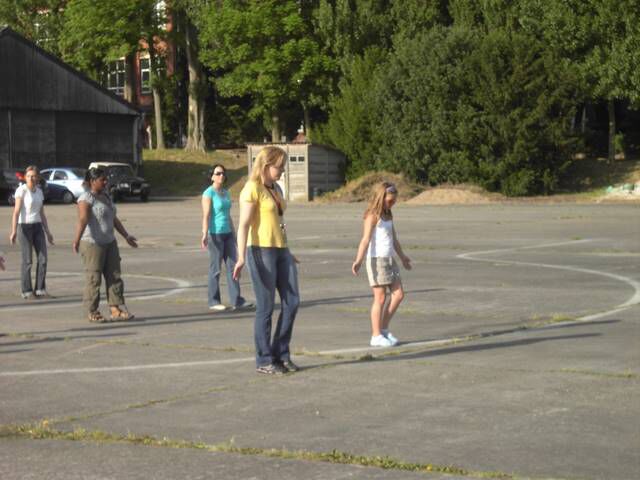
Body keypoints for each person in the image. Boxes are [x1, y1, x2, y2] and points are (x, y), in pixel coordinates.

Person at [233, 146, 300, 375]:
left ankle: (281, 353)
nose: (282, 171)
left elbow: (278, 222)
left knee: (292, 302)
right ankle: (264, 359)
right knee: (266, 306)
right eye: (279, 166)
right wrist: (241, 257)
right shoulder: (252, 188)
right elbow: (243, 226)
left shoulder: (276, 188)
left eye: (283, 166)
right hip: (260, 250)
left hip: (281, 250)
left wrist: (287, 249)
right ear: (266, 164)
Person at [72, 168, 138, 323]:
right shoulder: (85, 198)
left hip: (110, 242)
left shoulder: (106, 196)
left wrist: (126, 236)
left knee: (114, 276)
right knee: (94, 278)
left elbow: (114, 219)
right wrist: (77, 240)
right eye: (102, 179)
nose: (106, 182)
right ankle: (92, 310)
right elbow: (83, 220)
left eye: (106, 179)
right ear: (92, 181)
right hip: (92, 243)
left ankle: (115, 309)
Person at [352, 182, 411, 347]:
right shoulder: (372, 215)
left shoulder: (388, 214)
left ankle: (383, 329)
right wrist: (358, 260)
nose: (392, 204)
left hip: (390, 260)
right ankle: (376, 335)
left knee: (398, 295)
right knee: (380, 298)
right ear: (381, 197)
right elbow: (365, 240)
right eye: (390, 201)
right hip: (376, 261)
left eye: (394, 201)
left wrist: (403, 257)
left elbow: (394, 239)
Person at [201, 164, 251, 311]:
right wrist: (204, 233)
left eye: (223, 173)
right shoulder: (208, 193)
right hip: (215, 234)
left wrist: (234, 234)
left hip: (228, 233)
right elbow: (206, 216)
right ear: (212, 176)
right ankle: (213, 301)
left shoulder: (226, 192)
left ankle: (237, 300)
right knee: (215, 268)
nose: (221, 176)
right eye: (218, 173)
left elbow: (228, 215)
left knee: (233, 267)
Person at [9, 165, 54, 299]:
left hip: (37, 226)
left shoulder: (39, 192)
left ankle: (40, 289)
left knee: (43, 259)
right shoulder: (21, 191)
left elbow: (42, 213)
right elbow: (16, 212)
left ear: (38, 177)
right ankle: (27, 291)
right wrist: (13, 231)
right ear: (25, 177)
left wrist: (48, 232)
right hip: (24, 227)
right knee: (27, 260)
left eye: (34, 176)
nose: (31, 178)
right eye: (28, 176)